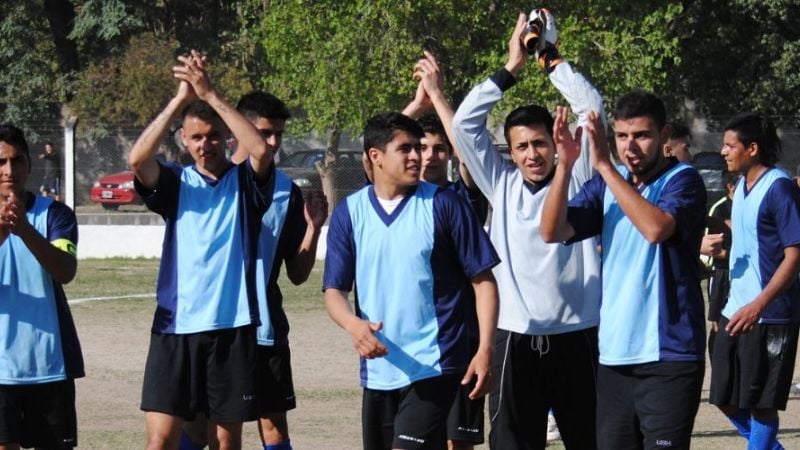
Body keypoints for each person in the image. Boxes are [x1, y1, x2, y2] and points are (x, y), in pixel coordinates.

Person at [451, 11, 602, 449]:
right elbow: (463, 125)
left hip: (579, 336)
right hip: (514, 339)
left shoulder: (576, 178)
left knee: (588, 440)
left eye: (540, 143)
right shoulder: (499, 184)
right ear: (510, 151)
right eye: (521, 146)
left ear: (556, 144)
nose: (532, 154)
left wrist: (550, 59)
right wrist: (511, 65)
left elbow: (591, 110)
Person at [540, 91, 707, 450]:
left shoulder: (683, 180)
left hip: (669, 356)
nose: (630, 146)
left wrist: (603, 165)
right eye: (621, 136)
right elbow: (552, 230)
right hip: (614, 357)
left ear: (664, 137)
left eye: (641, 135)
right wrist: (565, 165)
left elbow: (656, 228)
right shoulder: (606, 184)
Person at [323, 112, 499, 450]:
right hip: (379, 370)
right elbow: (334, 292)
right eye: (406, 149)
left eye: (418, 147)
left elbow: (484, 282)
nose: (418, 156)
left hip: (437, 364)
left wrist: (484, 350)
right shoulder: (349, 212)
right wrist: (353, 326)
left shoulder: (446, 205)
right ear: (375, 156)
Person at [129, 50, 272, 450]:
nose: (205, 144)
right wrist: (179, 99)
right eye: (195, 137)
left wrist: (210, 95)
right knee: (160, 441)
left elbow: (260, 149)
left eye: (212, 136)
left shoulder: (245, 182)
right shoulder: (175, 182)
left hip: (232, 327)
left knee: (225, 442)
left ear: (226, 139)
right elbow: (137, 158)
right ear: (185, 141)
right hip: (175, 327)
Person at [178, 91, 328, 450]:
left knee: (273, 424)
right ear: (239, 130)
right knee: (201, 428)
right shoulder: (205, 181)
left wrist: (313, 229)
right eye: (264, 133)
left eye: (278, 134)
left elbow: (297, 273)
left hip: (264, 328)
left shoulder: (286, 192)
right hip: (213, 326)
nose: (272, 142)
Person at [400, 51, 489, 450]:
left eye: (439, 148)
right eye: (420, 146)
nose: (429, 155)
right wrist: (416, 106)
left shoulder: (462, 196)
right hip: (413, 341)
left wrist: (436, 96)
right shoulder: (399, 198)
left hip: (462, 338)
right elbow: (378, 150)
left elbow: (469, 149)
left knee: (459, 443)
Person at [708, 113, 800, 450]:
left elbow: (794, 254)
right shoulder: (741, 189)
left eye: (730, 145)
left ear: (753, 148)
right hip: (735, 310)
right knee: (722, 394)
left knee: (762, 404)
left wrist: (759, 304)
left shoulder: (779, 187)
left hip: (770, 314)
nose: (723, 151)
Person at [0, 124, 84, 448]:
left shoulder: (55, 215)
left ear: (29, 164)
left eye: (17, 160)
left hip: (49, 366)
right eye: (2, 161)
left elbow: (65, 270)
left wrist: (24, 229)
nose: (10, 170)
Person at [701, 170, 737, 357]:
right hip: (720, 271)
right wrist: (726, 254)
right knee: (717, 321)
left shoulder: (745, 204)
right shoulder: (719, 208)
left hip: (739, 272)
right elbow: (708, 246)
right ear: (730, 186)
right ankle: (717, 363)